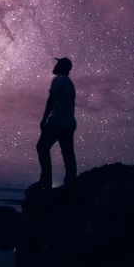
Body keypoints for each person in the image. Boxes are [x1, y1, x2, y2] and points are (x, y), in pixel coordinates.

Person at [36, 57, 77, 188]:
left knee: (42, 147)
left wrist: (44, 118)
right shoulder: (70, 83)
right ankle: (71, 181)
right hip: (69, 123)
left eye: (57, 63)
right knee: (68, 153)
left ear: (62, 67)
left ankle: (46, 180)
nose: (55, 65)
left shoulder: (58, 79)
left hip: (57, 121)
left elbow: (52, 99)